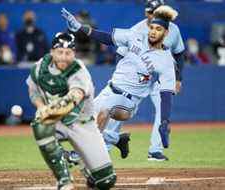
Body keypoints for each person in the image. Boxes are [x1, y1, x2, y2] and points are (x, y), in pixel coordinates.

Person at [62, 1, 184, 161]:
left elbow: (166, 94)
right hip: (110, 88)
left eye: (158, 29)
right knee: (81, 123)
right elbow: (106, 38)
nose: (153, 32)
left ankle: (82, 157)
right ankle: (118, 140)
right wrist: (80, 28)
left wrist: (165, 122)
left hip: (128, 101)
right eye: (152, 28)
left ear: (166, 33)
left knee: (104, 111)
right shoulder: (135, 35)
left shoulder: (166, 61)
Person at [26, 32, 116, 190]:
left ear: (74, 54)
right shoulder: (40, 67)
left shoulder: (79, 70)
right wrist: (41, 108)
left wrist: (49, 111)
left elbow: (75, 96)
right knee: (40, 125)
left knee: (106, 181)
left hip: (82, 124)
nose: (63, 57)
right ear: (52, 52)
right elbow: (33, 92)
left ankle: (82, 162)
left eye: (68, 53)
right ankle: (64, 179)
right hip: (57, 123)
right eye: (60, 52)